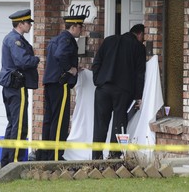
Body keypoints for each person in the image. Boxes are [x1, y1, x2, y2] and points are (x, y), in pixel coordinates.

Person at [92, 24, 146, 160]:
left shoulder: (109, 40)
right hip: (123, 91)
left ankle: (96, 157)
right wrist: (138, 96)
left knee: (100, 124)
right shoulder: (138, 47)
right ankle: (114, 156)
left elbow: (97, 61)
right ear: (139, 34)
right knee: (119, 124)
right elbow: (140, 74)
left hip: (103, 89)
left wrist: (97, 80)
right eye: (143, 36)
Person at [39, 15, 86, 161]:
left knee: (49, 119)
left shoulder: (55, 39)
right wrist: (70, 69)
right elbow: (61, 55)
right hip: (61, 84)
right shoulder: (67, 40)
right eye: (80, 27)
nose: (81, 30)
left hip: (51, 83)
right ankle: (55, 155)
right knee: (60, 121)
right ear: (73, 27)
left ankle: (44, 154)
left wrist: (75, 68)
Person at [0, 9, 40, 167]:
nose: (30, 25)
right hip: (17, 88)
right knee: (19, 125)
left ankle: (6, 162)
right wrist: (36, 59)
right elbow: (22, 61)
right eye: (28, 22)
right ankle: (14, 163)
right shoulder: (15, 40)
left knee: (12, 124)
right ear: (21, 23)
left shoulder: (12, 38)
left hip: (11, 87)